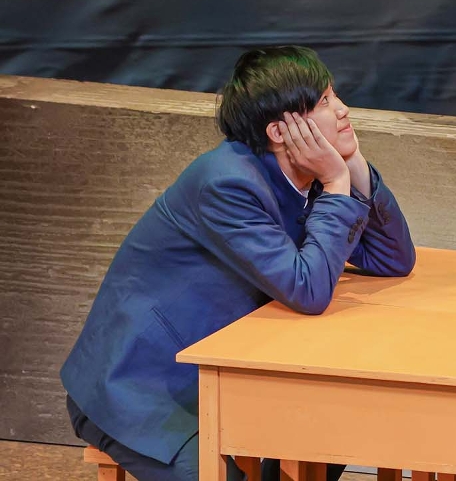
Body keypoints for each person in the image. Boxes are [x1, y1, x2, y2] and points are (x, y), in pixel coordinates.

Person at [62, 46, 417, 481]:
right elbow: (308, 290)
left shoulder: (305, 175)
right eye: (325, 102)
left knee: (342, 423)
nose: (343, 110)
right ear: (280, 131)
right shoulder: (227, 184)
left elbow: (392, 258)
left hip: (226, 379)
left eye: (335, 95)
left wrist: (354, 165)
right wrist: (337, 181)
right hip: (142, 391)